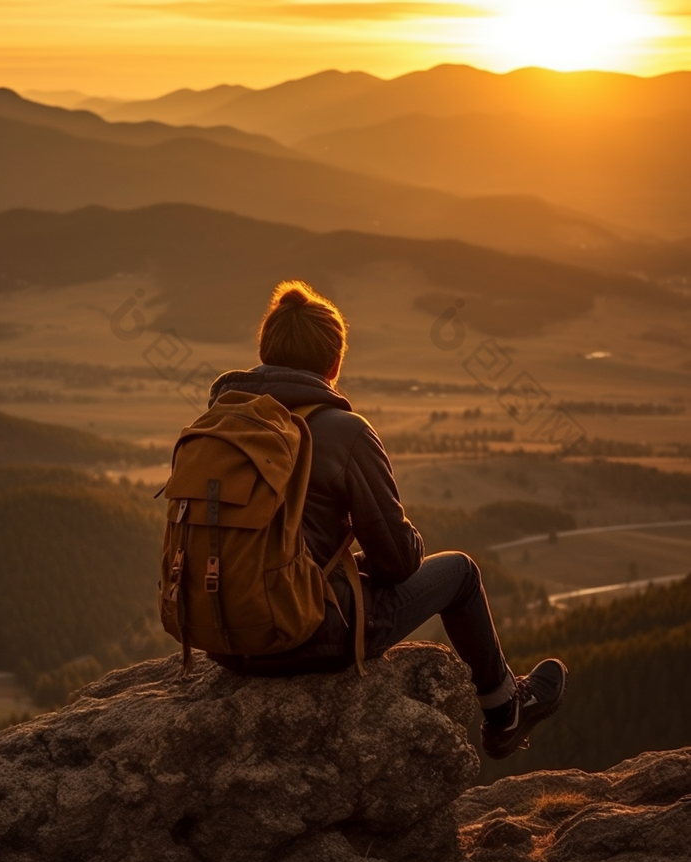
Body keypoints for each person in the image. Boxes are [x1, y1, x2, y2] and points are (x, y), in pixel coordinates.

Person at [208, 280, 567, 760]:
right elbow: (397, 563)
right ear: (334, 365)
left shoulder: (219, 424)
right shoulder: (342, 430)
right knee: (459, 572)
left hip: (223, 639)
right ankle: (506, 710)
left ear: (264, 352)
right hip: (305, 638)